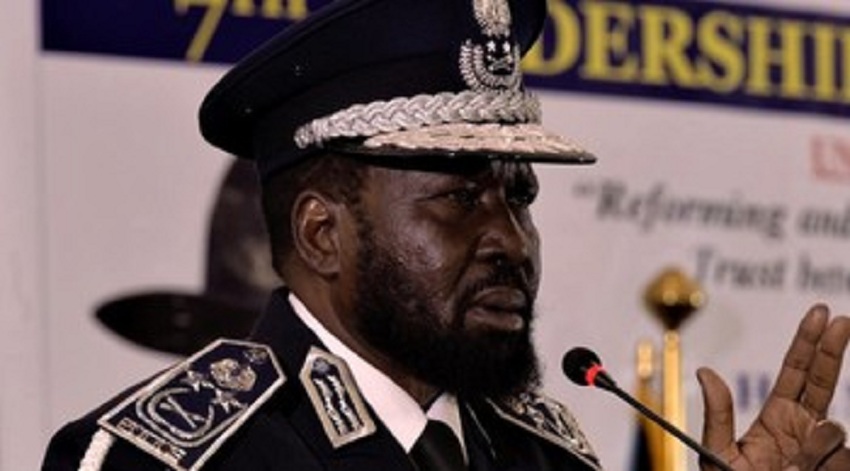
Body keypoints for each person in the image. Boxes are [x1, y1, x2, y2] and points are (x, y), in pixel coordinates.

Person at [42, 0, 850, 470]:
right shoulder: (168, 460)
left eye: (518, 197)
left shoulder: (546, 457)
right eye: (460, 198)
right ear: (322, 233)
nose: (511, 240)